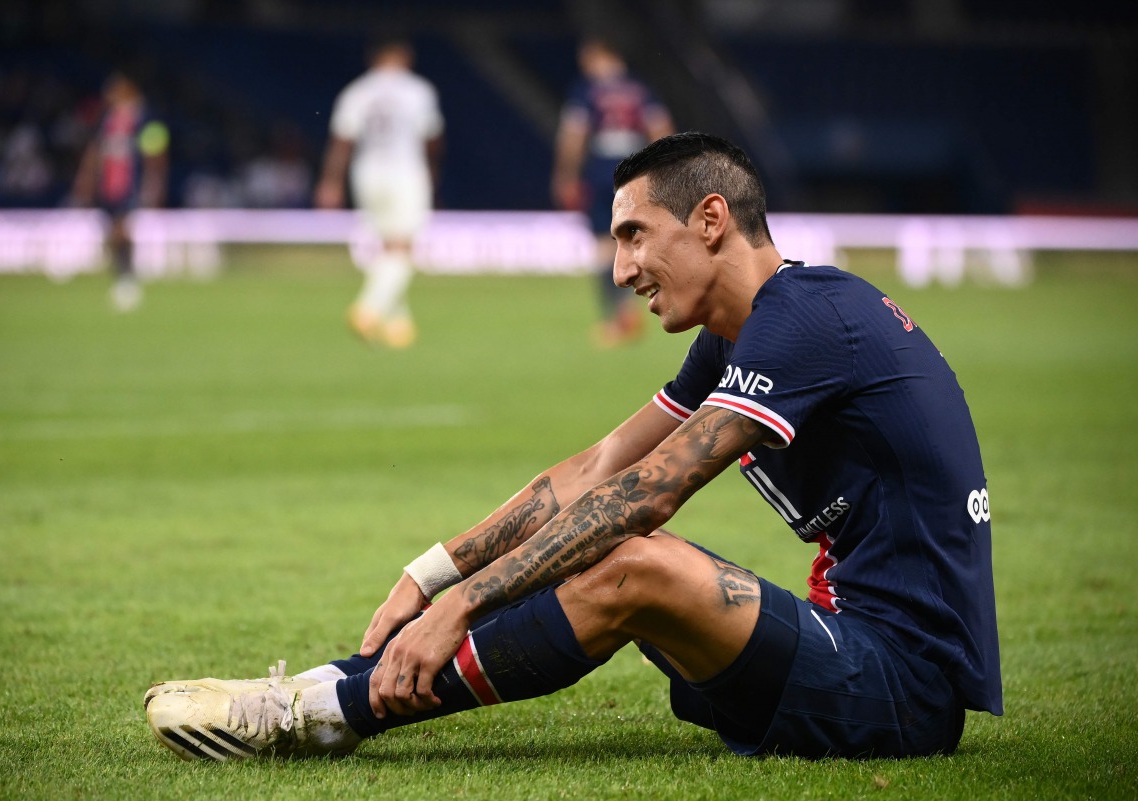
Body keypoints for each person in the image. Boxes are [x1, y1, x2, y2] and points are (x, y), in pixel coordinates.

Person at [145, 132, 1002, 761]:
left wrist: (464, 604)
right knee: (608, 541)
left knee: (634, 558)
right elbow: (598, 468)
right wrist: (433, 572)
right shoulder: (738, 334)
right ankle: (314, 688)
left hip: (901, 683)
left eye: (635, 234)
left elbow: (648, 493)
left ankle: (326, 714)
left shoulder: (808, 320)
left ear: (710, 219)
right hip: (840, 646)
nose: (621, 269)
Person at [314, 38, 443, 349]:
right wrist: (432, 172)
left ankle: (397, 322)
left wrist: (331, 181)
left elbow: (342, 141)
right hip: (405, 171)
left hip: (367, 172)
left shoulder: (357, 91)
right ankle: (369, 308)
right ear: (404, 57)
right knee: (403, 248)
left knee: (387, 247)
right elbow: (432, 138)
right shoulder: (417, 90)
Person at [552, 38, 674, 347]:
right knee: (636, 241)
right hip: (635, 171)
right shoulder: (640, 90)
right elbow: (661, 129)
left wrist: (566, 174)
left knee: (604, 246)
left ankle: (619, 317)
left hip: (601, 172)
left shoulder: (587, 90)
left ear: (599, 56)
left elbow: (574, 134)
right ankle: (639, 308)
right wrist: (664, 169)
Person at [71, 72, 168, 311]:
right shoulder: (106, 123)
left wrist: (154, 186)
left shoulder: (143, 122)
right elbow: (95, 153)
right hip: (108, 187)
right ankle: (122, 276)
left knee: (122, 231)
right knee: (112, 233)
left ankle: (127, 278)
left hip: (130, 186)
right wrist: (86, 181)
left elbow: (155, 156)